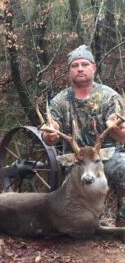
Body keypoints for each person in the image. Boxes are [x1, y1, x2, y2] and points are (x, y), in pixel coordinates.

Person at [43, 44, 125, 226]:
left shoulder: (110, 97)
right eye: (75, 65)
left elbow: (123, 137)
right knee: (66, 212)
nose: (80, 68)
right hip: (77, 161)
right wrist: (50, 134)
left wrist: (115, 128)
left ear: (93, 68)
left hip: (106, 157)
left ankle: (122, 219)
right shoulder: (59, 101)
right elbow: (51, 129)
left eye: (84, 64)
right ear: (69, 71)